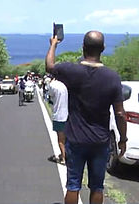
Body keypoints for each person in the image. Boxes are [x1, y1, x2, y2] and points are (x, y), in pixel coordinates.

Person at [45, 31, 127, 204]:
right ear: (103, 49)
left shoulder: (71, 70)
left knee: (73, 185)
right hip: (100, 141)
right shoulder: (113, 77)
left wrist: (54, 44)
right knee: (97, 186)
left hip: (75, 140)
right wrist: (122, 139)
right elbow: (120, 113)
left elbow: (50, 66)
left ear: (83, 48)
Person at [48, 76, 68, 165]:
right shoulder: (65, 84)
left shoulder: (52, 85)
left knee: (60, 140)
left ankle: (63, 158)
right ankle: (66, 155)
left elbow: (50, 96)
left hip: (58, 116)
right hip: (67, 115)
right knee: (68, 138)